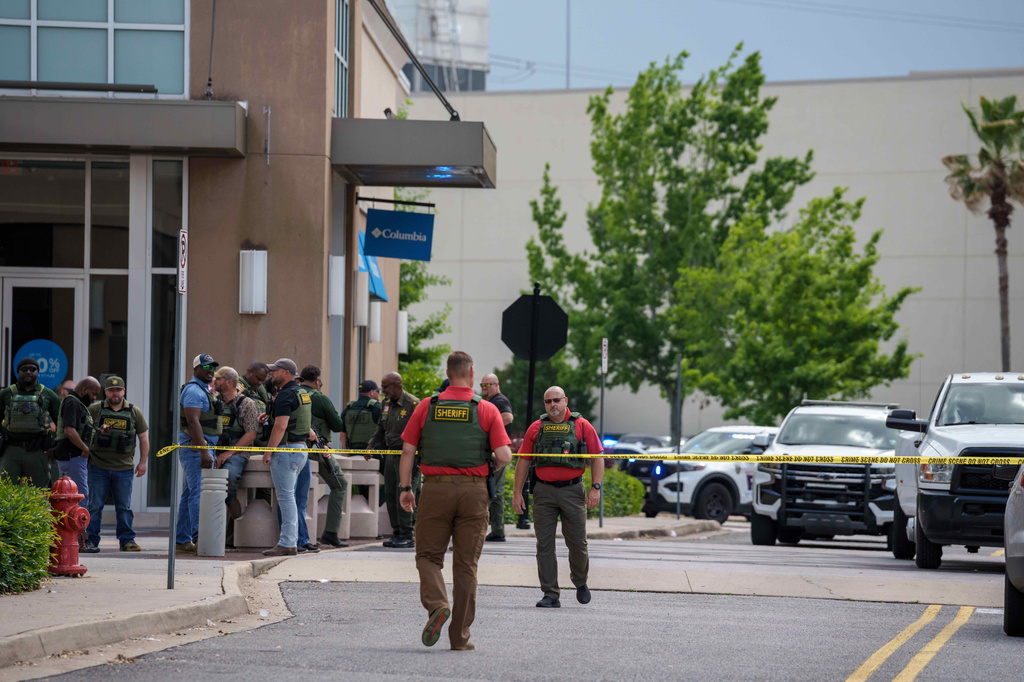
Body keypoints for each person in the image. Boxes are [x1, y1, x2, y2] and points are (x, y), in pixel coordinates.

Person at [399, 351, 512, 651]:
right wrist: (489, 467)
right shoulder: (486, 409)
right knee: (465, 567)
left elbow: (408, 450)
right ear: (472, 374)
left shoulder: (427, 406)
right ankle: (459, 638)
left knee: (427, 557)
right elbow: (504, 456)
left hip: (435, 490)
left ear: (448, 373)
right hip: (474, 494)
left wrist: (405, 488)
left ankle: (437, 605)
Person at [512, 385, 604, 608]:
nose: (552, 405)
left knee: (577, 543)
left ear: (565, 401)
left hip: (573, 491)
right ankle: (550, 593)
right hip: (543, 491)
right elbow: (523, 460)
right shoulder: (536, 428)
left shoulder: (581, 426)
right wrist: (517, 493)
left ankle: (580, 582)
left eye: (556, 400)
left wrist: (595, 488)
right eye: (548, 401)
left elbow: (597, 457)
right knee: (544, 544)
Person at [82, 376, 149, 553]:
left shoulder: (134, 412)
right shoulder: (95, 409)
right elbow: (83, 429)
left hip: (124, 468)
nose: (115, 393)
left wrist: (143, 462)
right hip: (98, 467)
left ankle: (127, 540)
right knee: (94, 506)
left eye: (118, 390)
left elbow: (143, 438)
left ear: (123, 391)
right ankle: (91, 540)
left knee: (124, 507)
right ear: (105, 392)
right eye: (111, 390)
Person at [261, 358, 314, 557]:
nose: (271, 374)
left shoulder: (285, 395)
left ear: (286, 372)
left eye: (275, 371)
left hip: (286, 450)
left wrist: (268, 451)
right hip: (300, 449)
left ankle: (287, 543)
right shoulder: (302, 393)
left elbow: (281, 426)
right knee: (290, 497)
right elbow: (300, 420)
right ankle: (290, 541)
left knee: (286, 498)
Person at [298, 365, 349, 548]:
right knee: (340, 484)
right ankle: (331, 532)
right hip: (317, 450)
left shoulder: (293, 393)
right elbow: (337, 425)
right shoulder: (319, 398)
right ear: (317, 381)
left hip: (294, 449)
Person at [175, 354, 222, 554]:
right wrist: (204, 451)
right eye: (206, 366)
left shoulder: (204, 390)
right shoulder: (194, 391)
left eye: (212, 366)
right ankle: (199, 538)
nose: (210, 369)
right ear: (195, 370)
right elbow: (193, 422)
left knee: (189, 494)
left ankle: (182, 540)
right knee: (198, 493)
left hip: (200, 447)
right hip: (196, 448)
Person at [368, 371, 420, 548]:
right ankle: (397, 532)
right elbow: (380, 429)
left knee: (403, 492)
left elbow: (422, 432)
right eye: (381, 387)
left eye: (385, 387)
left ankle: (407, 533)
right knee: (390, 493)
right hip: (391, 454)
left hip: (408, 455)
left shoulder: (413, 404)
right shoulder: (386, 404)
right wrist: (371, 445)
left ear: (397, 385)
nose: (382, 390)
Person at [0, 357, 61, 488]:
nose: (28, 372)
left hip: (38, 451)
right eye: (24, 369)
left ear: (37, 372)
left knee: (39, 494)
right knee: (5, 493)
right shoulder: (6, 393)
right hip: (11, 450)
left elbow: (61, 423)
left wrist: (54, 446)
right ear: (18, 372)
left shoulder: (49, 394)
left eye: (32, 369)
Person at [52, 377, 102, 538]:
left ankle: (75, 537)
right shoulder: (72, 403)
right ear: (84, 391)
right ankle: (78, 537)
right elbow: (69, 431)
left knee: (76, 497)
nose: (94, 398)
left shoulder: (76, 403)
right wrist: (85, 449)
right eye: (93, 394)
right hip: (72, 455)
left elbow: (80, 428)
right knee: (79, 497)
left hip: (73, 455)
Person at [213, 366, 259, 521]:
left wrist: (229, 452)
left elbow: (251, 433)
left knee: (229, 478)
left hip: (237, 453)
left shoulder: (247, 404)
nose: (215, 381)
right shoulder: (214, 402)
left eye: (218, 379)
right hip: (215, 452)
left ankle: (238, 523)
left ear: (229, 382)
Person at [480, 373, 513, 542]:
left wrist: (488, 426)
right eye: (482, 385)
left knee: (496, 492)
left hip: (498, 453)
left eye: (487, 385)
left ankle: (498, 530)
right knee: (489, 491)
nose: (484, 388)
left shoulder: (500, 401)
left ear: (496, 385)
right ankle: (495, 529)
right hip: (492, 452)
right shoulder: (488, 402)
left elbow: (508, 417)